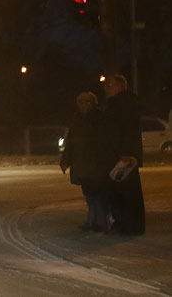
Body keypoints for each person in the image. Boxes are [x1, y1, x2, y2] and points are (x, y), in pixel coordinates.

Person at [60, 92, 111, 232]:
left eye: (87, 102)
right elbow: (71, 142)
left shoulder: (100, 119)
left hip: (96, 164)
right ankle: (92, 220)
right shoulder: (77, 120)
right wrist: (65, 161)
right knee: (89, 193)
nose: (84, 105)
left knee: (99, 193)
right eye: (81, 102)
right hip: (82, 163)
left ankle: (101, 221)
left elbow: (105, 142)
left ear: (94, 103)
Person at [104, 74, 145, 235]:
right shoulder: (122, 103)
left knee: (125, 192)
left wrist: (126, 153)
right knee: (124, 191)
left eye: (110, 85)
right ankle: (127, 224)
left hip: (123, 157)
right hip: (122, 154)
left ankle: (128, 224)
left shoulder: (123, 104)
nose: (107, 88)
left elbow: (127, 130)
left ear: (120, 86)